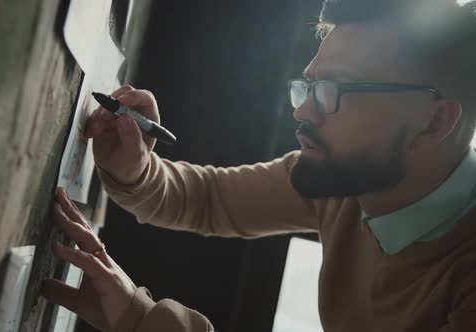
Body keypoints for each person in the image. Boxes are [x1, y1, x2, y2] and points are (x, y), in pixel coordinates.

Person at [43, 0, 476, 331]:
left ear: (434, 122)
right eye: (308, 85)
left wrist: (141, 320)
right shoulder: (355, 175)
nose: (303, 110)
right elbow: (208, 199)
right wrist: (137, 168)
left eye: (334, 91)